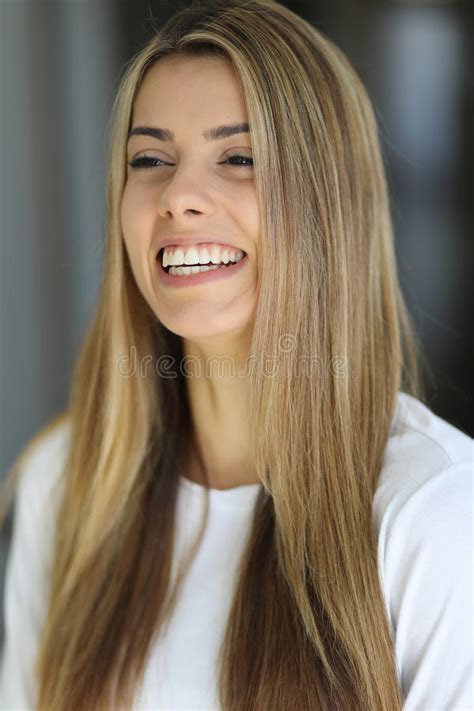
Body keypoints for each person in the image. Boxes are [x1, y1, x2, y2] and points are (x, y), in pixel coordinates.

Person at [0, 1, 472, 709]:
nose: (180, 196)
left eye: (239, 157)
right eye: (150, 158)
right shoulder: (65, 483)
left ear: (325, 202)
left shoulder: (435, 512)